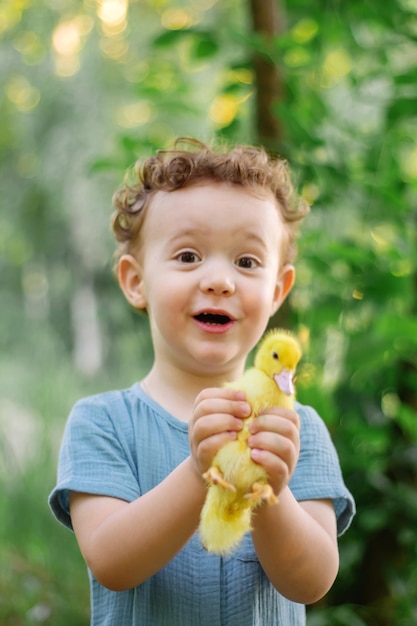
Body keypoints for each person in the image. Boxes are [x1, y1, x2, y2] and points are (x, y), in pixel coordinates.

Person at [49, 138, 355, 626]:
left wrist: (271, 492)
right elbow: (110, 562)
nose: (220, 280)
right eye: (189, 256)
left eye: (247, 262)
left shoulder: (296, 430)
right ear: (136, 281)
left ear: (277, 290)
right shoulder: (101, 422)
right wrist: (199, 472)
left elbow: (311, 580)